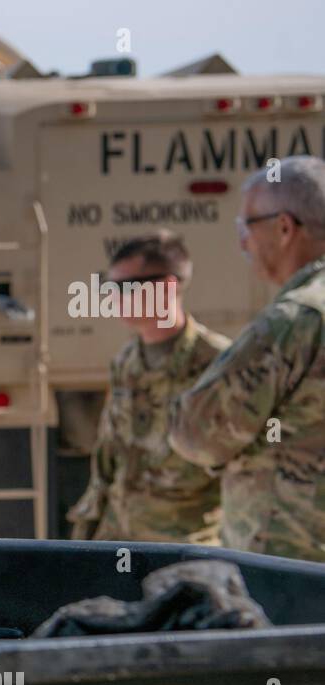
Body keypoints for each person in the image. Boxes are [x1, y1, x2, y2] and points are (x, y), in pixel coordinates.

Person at [170, 155, 325, 561]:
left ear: (285, 228)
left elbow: (198, 433)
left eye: (246, 227)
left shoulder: (297, 319)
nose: (242, 241)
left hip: (292, 566)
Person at [67, 231, 228, 543]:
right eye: (109, 287)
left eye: (125, 287)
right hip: (117, 541)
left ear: (167, 287)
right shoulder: (126, 361)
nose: (113, 298)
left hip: (183, 547)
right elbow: (109, 460)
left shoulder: (217, 364)